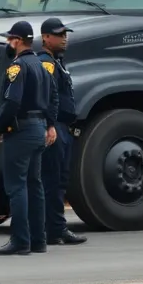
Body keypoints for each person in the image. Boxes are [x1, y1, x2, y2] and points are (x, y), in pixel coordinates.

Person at [0, 20, 54, 256]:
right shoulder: (41, 65)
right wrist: (49, 125)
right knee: (34, 185)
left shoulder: (17, 67)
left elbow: (12, 102)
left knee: (16, 186)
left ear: (17, 41)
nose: (8, 43)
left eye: (10, 39)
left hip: (21, 131)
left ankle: (20, 240)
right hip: (38, 129)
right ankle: (39, 240)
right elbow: (50, 99)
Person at [38, 17, 86, 246]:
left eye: (65, 34)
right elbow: (46, 97)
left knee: (59, 181)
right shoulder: (46, 63)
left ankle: (55, 229)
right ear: (45, 37)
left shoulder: (57, 62)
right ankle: (53, 229)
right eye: (59, 35)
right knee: (53, 181)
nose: (64, 38)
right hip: (54, 127)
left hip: (62, 127)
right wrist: (49, 125)